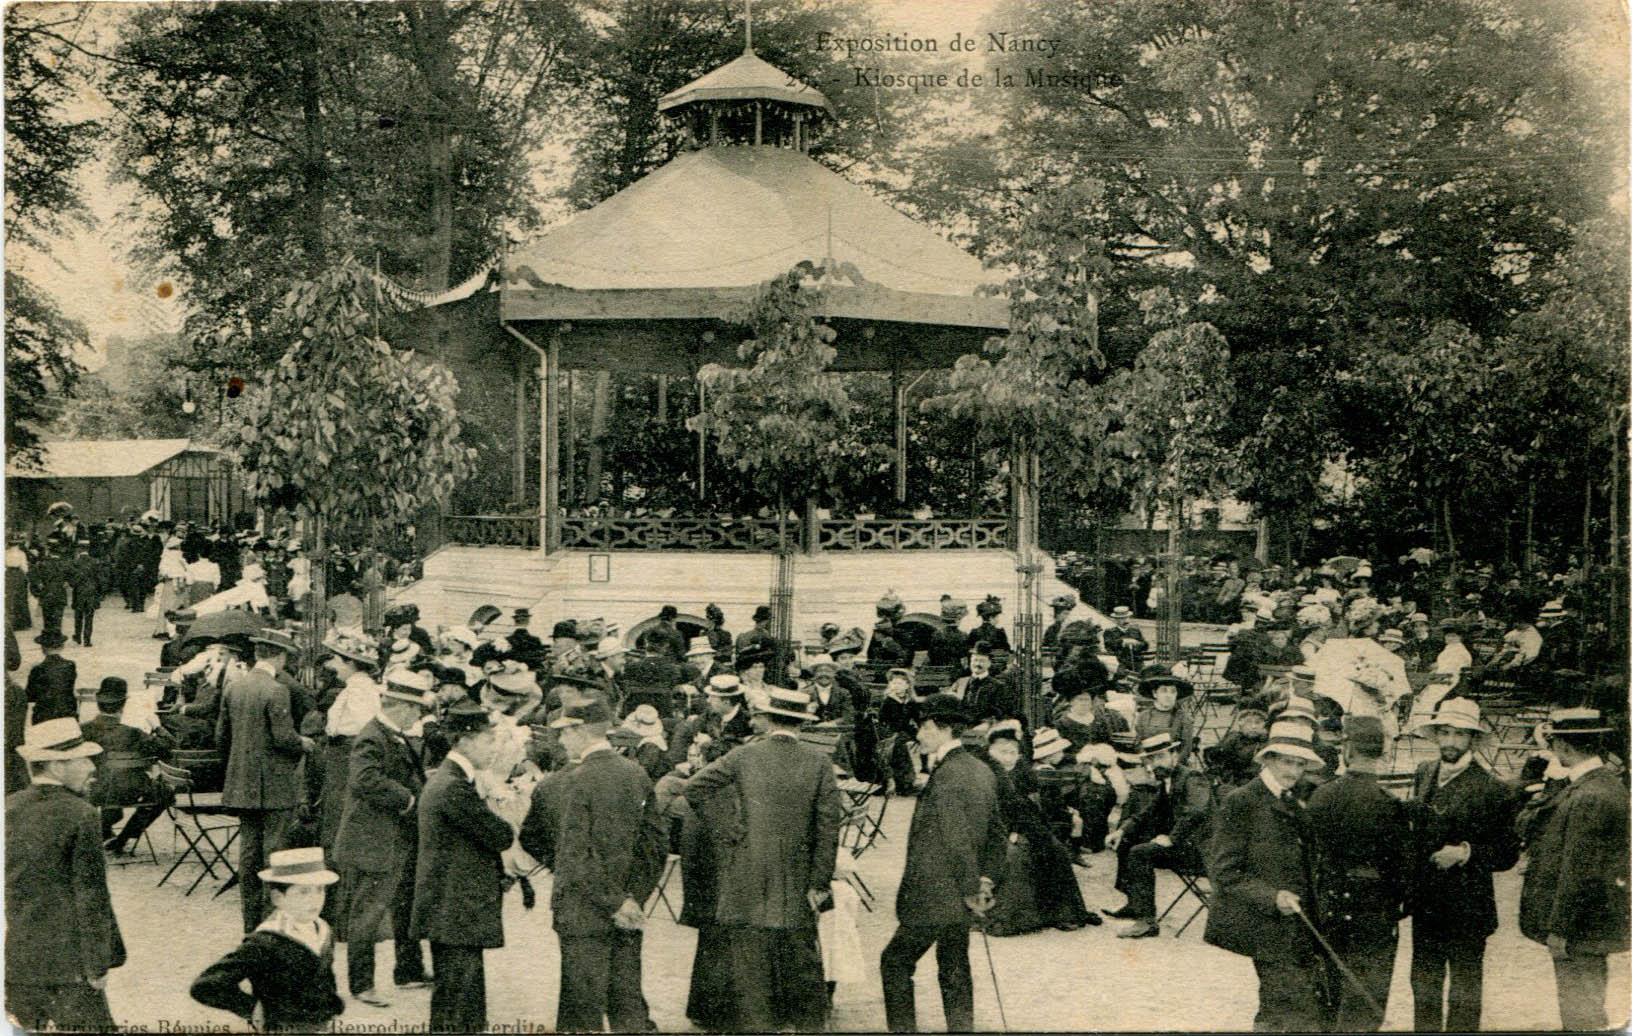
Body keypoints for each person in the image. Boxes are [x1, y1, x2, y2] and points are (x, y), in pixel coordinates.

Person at [683, 687, 842, 1031]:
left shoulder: (743, 756)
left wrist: (729, 830)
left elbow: (694, 788)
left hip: (747, 872)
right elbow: (829, 827)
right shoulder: (819, 762)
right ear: (801, 724)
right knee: (801, 959)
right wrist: (819, 881)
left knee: (749, 962)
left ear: (768, 720)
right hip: (798, 876)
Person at [522, 699, 667, 1033]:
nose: (559, 741)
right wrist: (631, 898)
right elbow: (656, 845)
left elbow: (564, 851)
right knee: (627, 998)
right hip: (629, 908)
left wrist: (605, 897)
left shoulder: (561, 783)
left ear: (577, 730)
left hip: (580, 908)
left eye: (563, 732)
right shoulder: (636, 774)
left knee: (580, 1009)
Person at [880, 694, 1007, 1033]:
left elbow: (956, 840)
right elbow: (996, 833)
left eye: (924, 727)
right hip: (963, 894)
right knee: (954, 966)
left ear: (944, 729)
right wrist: (986, 881)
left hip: (935, 894)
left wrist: (969, 889)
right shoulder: (981, 769)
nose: (919, 735)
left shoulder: (948, 776)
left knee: (894, 962)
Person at [1204, 720, 1326, 1033]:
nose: (1294, 770)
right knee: (1294, 1007)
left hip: (1297, 923)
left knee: (1283, 1006)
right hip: (1264, 923)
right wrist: (1271, 897)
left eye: (1300, 764)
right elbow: (1224, 872)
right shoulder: (1242, 801)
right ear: (1268, 759)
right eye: (1287, 761)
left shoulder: (1293, 800)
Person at [1406, 697, 1520, 1033]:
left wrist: (1466, 852)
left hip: (1468, 909)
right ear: (1436, 735)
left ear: (1472, 739)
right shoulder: (1424, 772)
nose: (1451, 741)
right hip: (1425, 904)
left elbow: (1507, 852)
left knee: (1464, 992)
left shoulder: (1492, 789)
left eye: (1459, 734)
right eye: (1445, 732)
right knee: (1423, 984)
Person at [5, 718, 126, 1031]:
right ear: (57, 765)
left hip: (17, 963)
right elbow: (91, 896)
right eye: (82, 759)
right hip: (69, 964)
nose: (90, 767)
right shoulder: (81, 814)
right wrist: (98, 964)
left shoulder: (8, 808)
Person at [1518, 708, 1629, 1031]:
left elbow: (1578, 870)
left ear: (1564, 747)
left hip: (1580, 928)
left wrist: (1560, 928)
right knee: (1582, 1007)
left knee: (1582, 1012)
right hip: (1588, 925)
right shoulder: (1597, 784)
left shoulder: (1590, 795)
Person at [410, 699, 515, 1034]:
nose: (494, 748)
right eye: (487, 740)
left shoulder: (450, 780)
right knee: (458, 1005)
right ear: (465, 741)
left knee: (459, 1001)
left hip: (451, 909)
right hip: (456, 910)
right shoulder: (454, 787)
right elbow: (501, 836)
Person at [334, 669, 434, 1008]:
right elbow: (365, 780)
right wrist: (408, 799)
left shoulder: (391, 733)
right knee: (368, 913)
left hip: (395, 840)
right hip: (375, 841)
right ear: (402, 707)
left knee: (405, 906)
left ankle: (408, 971)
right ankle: (361, 985)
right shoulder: (373, 735)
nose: (418, 715)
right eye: (416, 709)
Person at [1304, 715, 1409, 1031]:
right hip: (1374, 911)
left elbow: (1308, 855)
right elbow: (1402, 871)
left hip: (1328, 901)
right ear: (1381, 753)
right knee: (1366, 1001)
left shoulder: (1322, 795)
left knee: (1327, 992)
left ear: (1346, 749)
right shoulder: (1390, 804)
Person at [217, 627, 316, 932]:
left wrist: (236, 768)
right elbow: (284, 738)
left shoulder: (234, 687)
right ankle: (271, 922)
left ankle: (250, 924)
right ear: (280, 656)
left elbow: (221, 737)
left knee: (248, 855)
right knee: (275, 854)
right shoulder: (277, 690)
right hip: (274, 785)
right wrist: (304, 743)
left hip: (241, 784)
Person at [190, 847, 345, 1032]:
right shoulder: (265, 941)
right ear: (278, 898)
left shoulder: (322, 928)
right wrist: (251, 1008)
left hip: (321, 1024)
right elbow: (206, 985)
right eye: (303, 892)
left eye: (320, 890)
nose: (315, 900)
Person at [1104, 732, 1213, 938]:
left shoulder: (1192, 778)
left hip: (1202, 851)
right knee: (1127, 841)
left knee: (1140, 853)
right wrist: (1121, 830)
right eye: (1152, 759)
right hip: (1186, 845)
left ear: (1174, 754)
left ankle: (1147, 921)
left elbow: (1196, 813)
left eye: (1161, 757)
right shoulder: (1168, 781)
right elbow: (1148, 813)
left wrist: (1171, 838)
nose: (1156, 764)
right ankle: (1136, 903)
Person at [82, 677, 176, 854]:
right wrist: (156, 726)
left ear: (98, 704)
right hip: (131, 791)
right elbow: (169, 746)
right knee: (166, 793)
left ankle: (103, 829)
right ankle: (124, 837)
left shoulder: (83, 730)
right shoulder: (132, 733)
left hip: (93, 792)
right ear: (123, 705)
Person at [954, 641, 1025, 729]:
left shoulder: (998, 686)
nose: (977, 664)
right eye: (975, 660)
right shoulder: (960, 682)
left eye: (982, 661)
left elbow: (1002, 715)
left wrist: (987, 724)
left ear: (989, 663)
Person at [1134, 667, 1197, 766]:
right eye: (1164, 691)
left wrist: (1173, 765)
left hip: (1174, 765)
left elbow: (1186, 748)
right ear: (1155, 693)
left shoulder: (1183, 717)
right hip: (1148, 765)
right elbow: (1138, 744)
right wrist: (1148, 764)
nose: (1169, 695)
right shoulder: (1144, 716)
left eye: (1173, 692)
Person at [24, 629, 77, 724]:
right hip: (67, 713)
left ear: (42, 648)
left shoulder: (37, 669)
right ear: (62, 646)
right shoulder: (70, 665)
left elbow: (29, 696)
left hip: (44, 717)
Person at [28, 540, 69, 640]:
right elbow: (73, 576)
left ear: (49, 551)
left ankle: (48, 637)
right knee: (58, 617)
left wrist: (37, 592)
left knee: (47, 617)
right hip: (60, 593)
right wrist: (67, 583)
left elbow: (33, 577)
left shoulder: (43, 563)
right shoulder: (65, 563)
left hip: (46, 593)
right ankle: (57, 636)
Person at [69, 542, 103, 647]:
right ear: (88, 549)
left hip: (79, 592)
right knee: (89, 617)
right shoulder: (95, 562)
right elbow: (100, 579)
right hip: (91, 592)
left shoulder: (75, 562)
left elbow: (72, 581)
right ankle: (87, 640)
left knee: (78, 616)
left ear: (79, 549)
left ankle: (78, 637)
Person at [928, 596, 969, 667]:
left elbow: (931, 655)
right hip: (957, 671)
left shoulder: (936, 634)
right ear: (958, 619)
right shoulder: (963, 636)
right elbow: (964, 656)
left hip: (939, 670)